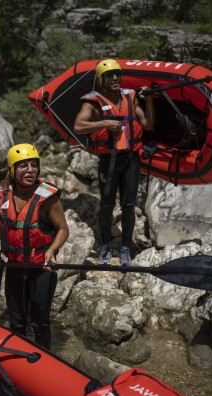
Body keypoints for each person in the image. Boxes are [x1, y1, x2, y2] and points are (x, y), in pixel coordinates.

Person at [0, 144, 69, 349]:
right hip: (14, 267)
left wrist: (51, 250)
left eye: (34, 165)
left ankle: (45, 360)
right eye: (23, 166)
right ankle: (17, 357)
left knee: (39, 322)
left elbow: (63, 229)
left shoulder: (48, 198)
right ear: (12, 170)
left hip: (41, 267)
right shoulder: (3, 194)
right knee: (17, 320)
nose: (30, 170)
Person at [74, 59, 155, 266]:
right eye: (110, 76)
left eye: (118, 74)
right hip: (108, 161)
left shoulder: (130, 97)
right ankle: (106, 247)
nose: (115, 78)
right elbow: (78, 126)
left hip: (130, 160)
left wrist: (150, 100)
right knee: (107, 204)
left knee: (128, 205)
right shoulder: (92, 102)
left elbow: (148, 124)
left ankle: (126, 248)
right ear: (102, 80)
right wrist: (104, 122)